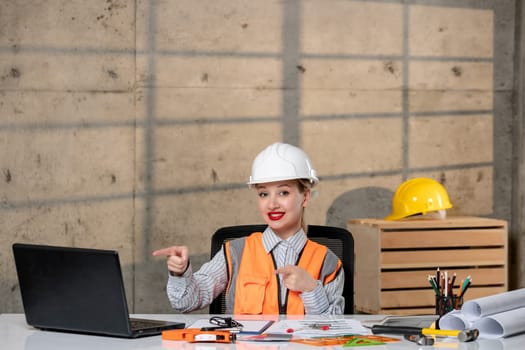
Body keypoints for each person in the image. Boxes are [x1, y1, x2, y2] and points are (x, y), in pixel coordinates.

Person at [153, 142, 345, 314]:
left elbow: (336, 328)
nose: (272, 204)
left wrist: (311, 289)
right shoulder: (235, 253)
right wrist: (180, 272)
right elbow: (185, 302)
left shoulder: (328, 262)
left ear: (306, 197)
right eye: (263, 194)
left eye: (283, 192)